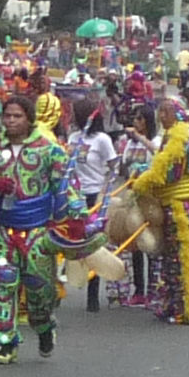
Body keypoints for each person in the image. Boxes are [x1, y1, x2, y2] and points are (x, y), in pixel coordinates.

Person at [0, 93, 90, 364]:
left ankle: (45, 328)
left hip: (37, 233)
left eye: (17, 116)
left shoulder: (49, 149)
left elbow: (68, 184)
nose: (10, 121)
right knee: (1, 286)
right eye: (7, 116)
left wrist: (78, 218)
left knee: (39, 294)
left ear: (29, 119)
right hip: (2, 230)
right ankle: (6, 344)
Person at [132, 96, 189, 326]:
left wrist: (143, 181)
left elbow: (168, 173)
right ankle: (173, 304)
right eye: (160, 112)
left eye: (166, 112)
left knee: (184, 256)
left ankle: (187, 308)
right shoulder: (169, 136)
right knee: (170, 258)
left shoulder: (181, 137)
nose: (161, 117)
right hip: (170, 203)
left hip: (182, 205)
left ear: (179, 113)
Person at [68, 100, 117, 313]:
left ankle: (93, 296)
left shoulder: (102, 140)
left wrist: (105, 193)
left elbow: (114, 166)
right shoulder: (73, 138)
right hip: (73, 197)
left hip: (93, 196)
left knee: (93, 245)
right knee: (66, 242)